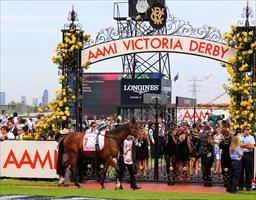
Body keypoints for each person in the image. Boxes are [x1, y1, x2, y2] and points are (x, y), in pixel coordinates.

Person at [239, 125, 255, 191]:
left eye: (249, 129)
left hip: (248, 154)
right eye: (247, 129)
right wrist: (247, 145)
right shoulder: (239, 136)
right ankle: (240, 185)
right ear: (244, 130)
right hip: (241, 154)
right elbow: (238, 145)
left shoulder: (251, 137)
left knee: (249, 171)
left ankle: (248, 185)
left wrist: (243, 146)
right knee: (240, 171)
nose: (249, 130)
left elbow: (252, 146)